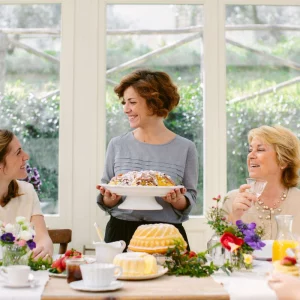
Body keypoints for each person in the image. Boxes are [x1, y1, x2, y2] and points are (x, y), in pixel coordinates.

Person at [96, 69, 198, 250]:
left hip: (166, 235)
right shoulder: (116, 145)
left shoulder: (185, 148)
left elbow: (189, 198)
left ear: (154, 103)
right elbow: (106, 194)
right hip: (120, 232)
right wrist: (109, 198)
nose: (126, 109)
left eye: (132, 102)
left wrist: (177, 200)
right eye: (124, 102)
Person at [223, 125, 300, 239]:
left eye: (260, 149)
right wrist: (235, 217)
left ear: (283, 161)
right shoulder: (231, 201)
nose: (251, 155)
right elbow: (218, 252)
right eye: (250, 150)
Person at [0, 129, 53, 259]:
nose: (26, 156)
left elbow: (43, 238)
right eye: (18, 152)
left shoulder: (27, 191)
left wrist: (44, 248)